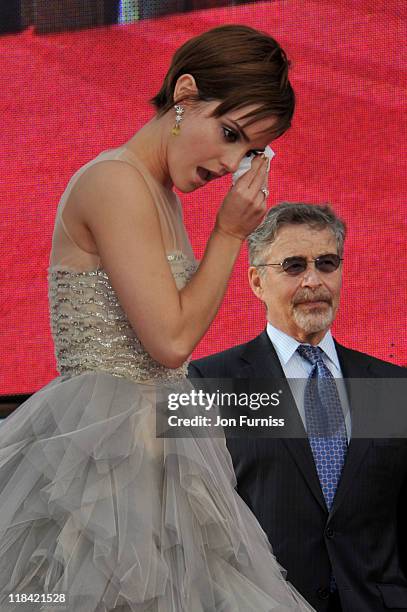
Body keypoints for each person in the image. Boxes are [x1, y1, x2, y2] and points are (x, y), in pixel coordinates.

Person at [0, 26, 314, 611]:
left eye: (248, 151)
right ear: (184, 93)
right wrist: (227, 232)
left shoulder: (159, 192)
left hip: (163, 445)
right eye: (228, 133)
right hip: (100, 455)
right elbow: (170, 340)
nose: (229, 162)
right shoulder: (116, 181)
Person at [189, 202, 407, 612]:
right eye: (293, 266)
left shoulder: (392, 385)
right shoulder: (208, 383)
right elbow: (191, 525)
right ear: (256, 281)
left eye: (327, 263)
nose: (314, 280)